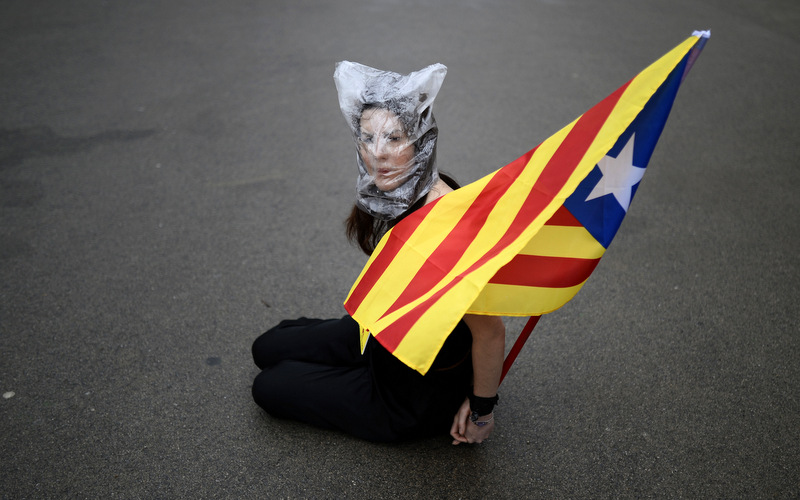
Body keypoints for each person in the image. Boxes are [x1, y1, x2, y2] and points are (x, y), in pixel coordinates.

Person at [252, 61, 505, 444]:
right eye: (367, 139)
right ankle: (327, 356)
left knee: (268, 387)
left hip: (409, 393)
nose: (378, 154)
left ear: (421, 141)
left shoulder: (445, 224)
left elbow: (490, 331)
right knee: (266, 347)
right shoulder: (392, 195)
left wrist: (483, 411)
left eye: (393, 139)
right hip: (381, 333)